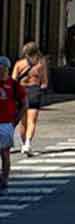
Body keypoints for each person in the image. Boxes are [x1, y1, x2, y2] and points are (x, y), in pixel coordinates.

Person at [13, 43, 46, 156]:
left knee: (22, 122)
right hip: (34, 91)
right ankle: (27, 144)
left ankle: (23, 145)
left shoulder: (19, 64)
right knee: (32, 121)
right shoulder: (41, 64)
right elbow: (44, 82)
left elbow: (13, 81)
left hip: (21, 91)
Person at [0, 58, 27, 193]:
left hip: (6, 124)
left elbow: (24, 104)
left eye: (2, 67)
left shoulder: (14, 85)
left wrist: (14, 122)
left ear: (7, 69)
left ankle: (4, 179)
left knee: (5, 154)